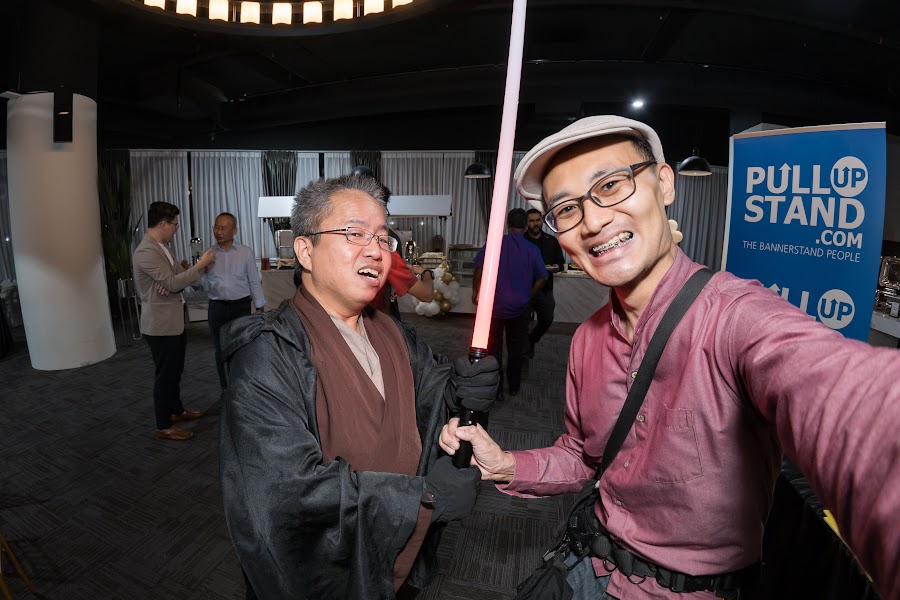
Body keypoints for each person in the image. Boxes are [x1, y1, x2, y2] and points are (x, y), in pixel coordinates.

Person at [440, 115, 900, 599]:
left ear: (663, 184)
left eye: (611, 185)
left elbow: (853, 406)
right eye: (568, 209)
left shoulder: (736, 317)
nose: (593, 222)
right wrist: (505, 464)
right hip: (587, 566)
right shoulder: (587, 341)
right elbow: (582, 457)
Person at [219, 175, 491, 600]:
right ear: (305, 251)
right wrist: (421, 499)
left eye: (383, 237)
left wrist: (462, 388)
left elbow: (429, 392)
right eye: (354, 233)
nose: (376, 250)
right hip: (328, 577)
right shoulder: (268, 355)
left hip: (394, 551)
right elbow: (284, 493)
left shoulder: (390, 331)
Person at [133, 201, 215, 441]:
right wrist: (199, 265)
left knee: (176, 371)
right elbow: (173, 282)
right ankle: (163, 425)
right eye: (175, 224)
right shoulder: (146, 251)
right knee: (165, 376)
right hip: (159, 326)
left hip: (173, 321)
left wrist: (181, 276)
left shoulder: (163, 248)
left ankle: (176, 411)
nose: (177, 229)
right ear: (163, 224)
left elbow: (178, 279)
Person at [472, 208, 548, 397]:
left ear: (507, 225)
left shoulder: (494, 244)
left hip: (494, 307)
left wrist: (476, 292)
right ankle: (514, 386)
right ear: (525, 227)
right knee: (516, 349)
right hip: (519, 308)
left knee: (494, 349)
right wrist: (529, 296)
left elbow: (479, 269)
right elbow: (543, 277)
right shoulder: (532, 249)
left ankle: (496, 389)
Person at [201, 212, 266, 394]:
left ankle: (241, 386)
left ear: (234, 231)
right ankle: (226, 388)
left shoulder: (245, 252)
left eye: (223, 228)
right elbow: (203, 283)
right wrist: (192, 274)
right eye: (216, 227)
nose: (218, 232)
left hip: (240, 307)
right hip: (217, 308)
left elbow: (254, 281)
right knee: (219, 350)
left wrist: (259, 305)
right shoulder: (209, 254)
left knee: (241, 348)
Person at [524, 207, 566, 357]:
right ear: (526, 223)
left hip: (545, 289)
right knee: (522, 322)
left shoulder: (551, 241)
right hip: (524, 289)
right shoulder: (522, 241)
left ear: (542, 221)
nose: (535, 224)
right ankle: (523, 348)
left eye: (538, 220)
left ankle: (531, 340)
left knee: (547, 319)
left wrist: (557, 267)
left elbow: (561, 262)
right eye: (531, 221)